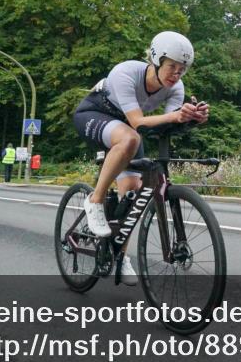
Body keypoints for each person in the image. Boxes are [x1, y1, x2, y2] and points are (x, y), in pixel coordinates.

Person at [72, 31, 208, 285]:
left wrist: (191, 119)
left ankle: (120, 255)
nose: (176, 75)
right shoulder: (125, 72)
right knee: (131, 138)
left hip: (127, 128)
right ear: (156, 60)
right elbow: (136, 122)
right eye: (171, 67)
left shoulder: (175, 88)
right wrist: (175, 116)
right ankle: (95, 200)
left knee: (132, 192)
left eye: (182, 70)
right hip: (93, 114)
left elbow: (167, 125)